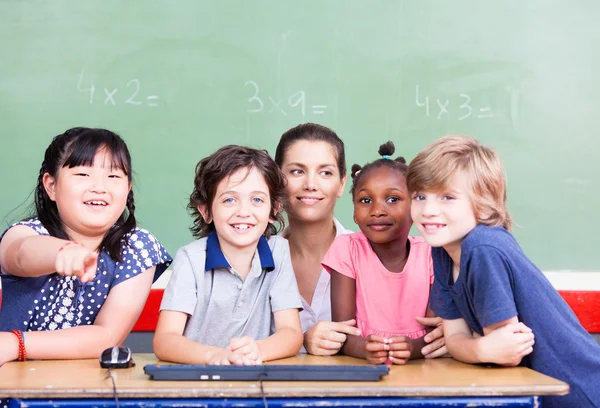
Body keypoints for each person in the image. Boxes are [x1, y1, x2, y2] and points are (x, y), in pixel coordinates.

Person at [407, 134, 600, 407]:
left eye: (447, 197)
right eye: (420, 196)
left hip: (578, 394)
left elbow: (508, 353)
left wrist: (477, 348)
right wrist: (480, 348)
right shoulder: (442, 249)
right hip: (536, 391)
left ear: (483, 203)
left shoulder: (482, 247)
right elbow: (456, 339)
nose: (428, 210)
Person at [0, 127, 172, 366]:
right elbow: (21, 253)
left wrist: (13, 343)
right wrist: (60, 253)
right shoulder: (25, 233)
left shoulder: (138, 248)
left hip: (89, 388)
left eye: (113, 177)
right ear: (51, 185)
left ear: (128, 188)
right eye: (82, 174)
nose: (99, 187)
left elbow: (107, 336)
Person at [153, 145, 303, 365]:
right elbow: (165, 340)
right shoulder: (191, 258)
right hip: (198, 381)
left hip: (254, 379)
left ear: (274, 210)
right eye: (229, 200)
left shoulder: (278, 252)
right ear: (206, 211)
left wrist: (257, 350)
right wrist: (214, 356)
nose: (243, 211)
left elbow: (291, 333)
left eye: (257, 200)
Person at [321, 141, 447, 365]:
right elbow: (343, 333)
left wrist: (412, 349)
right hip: (362, 372)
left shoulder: (432, 254)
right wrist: (364, 348)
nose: (377, 211)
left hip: (422, 374)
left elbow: (434, 336)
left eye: (393, 199)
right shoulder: (346, 249)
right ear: (354, 212)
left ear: (416, 206)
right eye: (365, 200)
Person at [275, 123, 359, 355]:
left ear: (342, 184)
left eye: (325, 173)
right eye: (297, 171)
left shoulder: (368, 254)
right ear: (277, 180)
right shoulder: (256, 258)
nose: (311, 185)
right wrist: (301, 341)